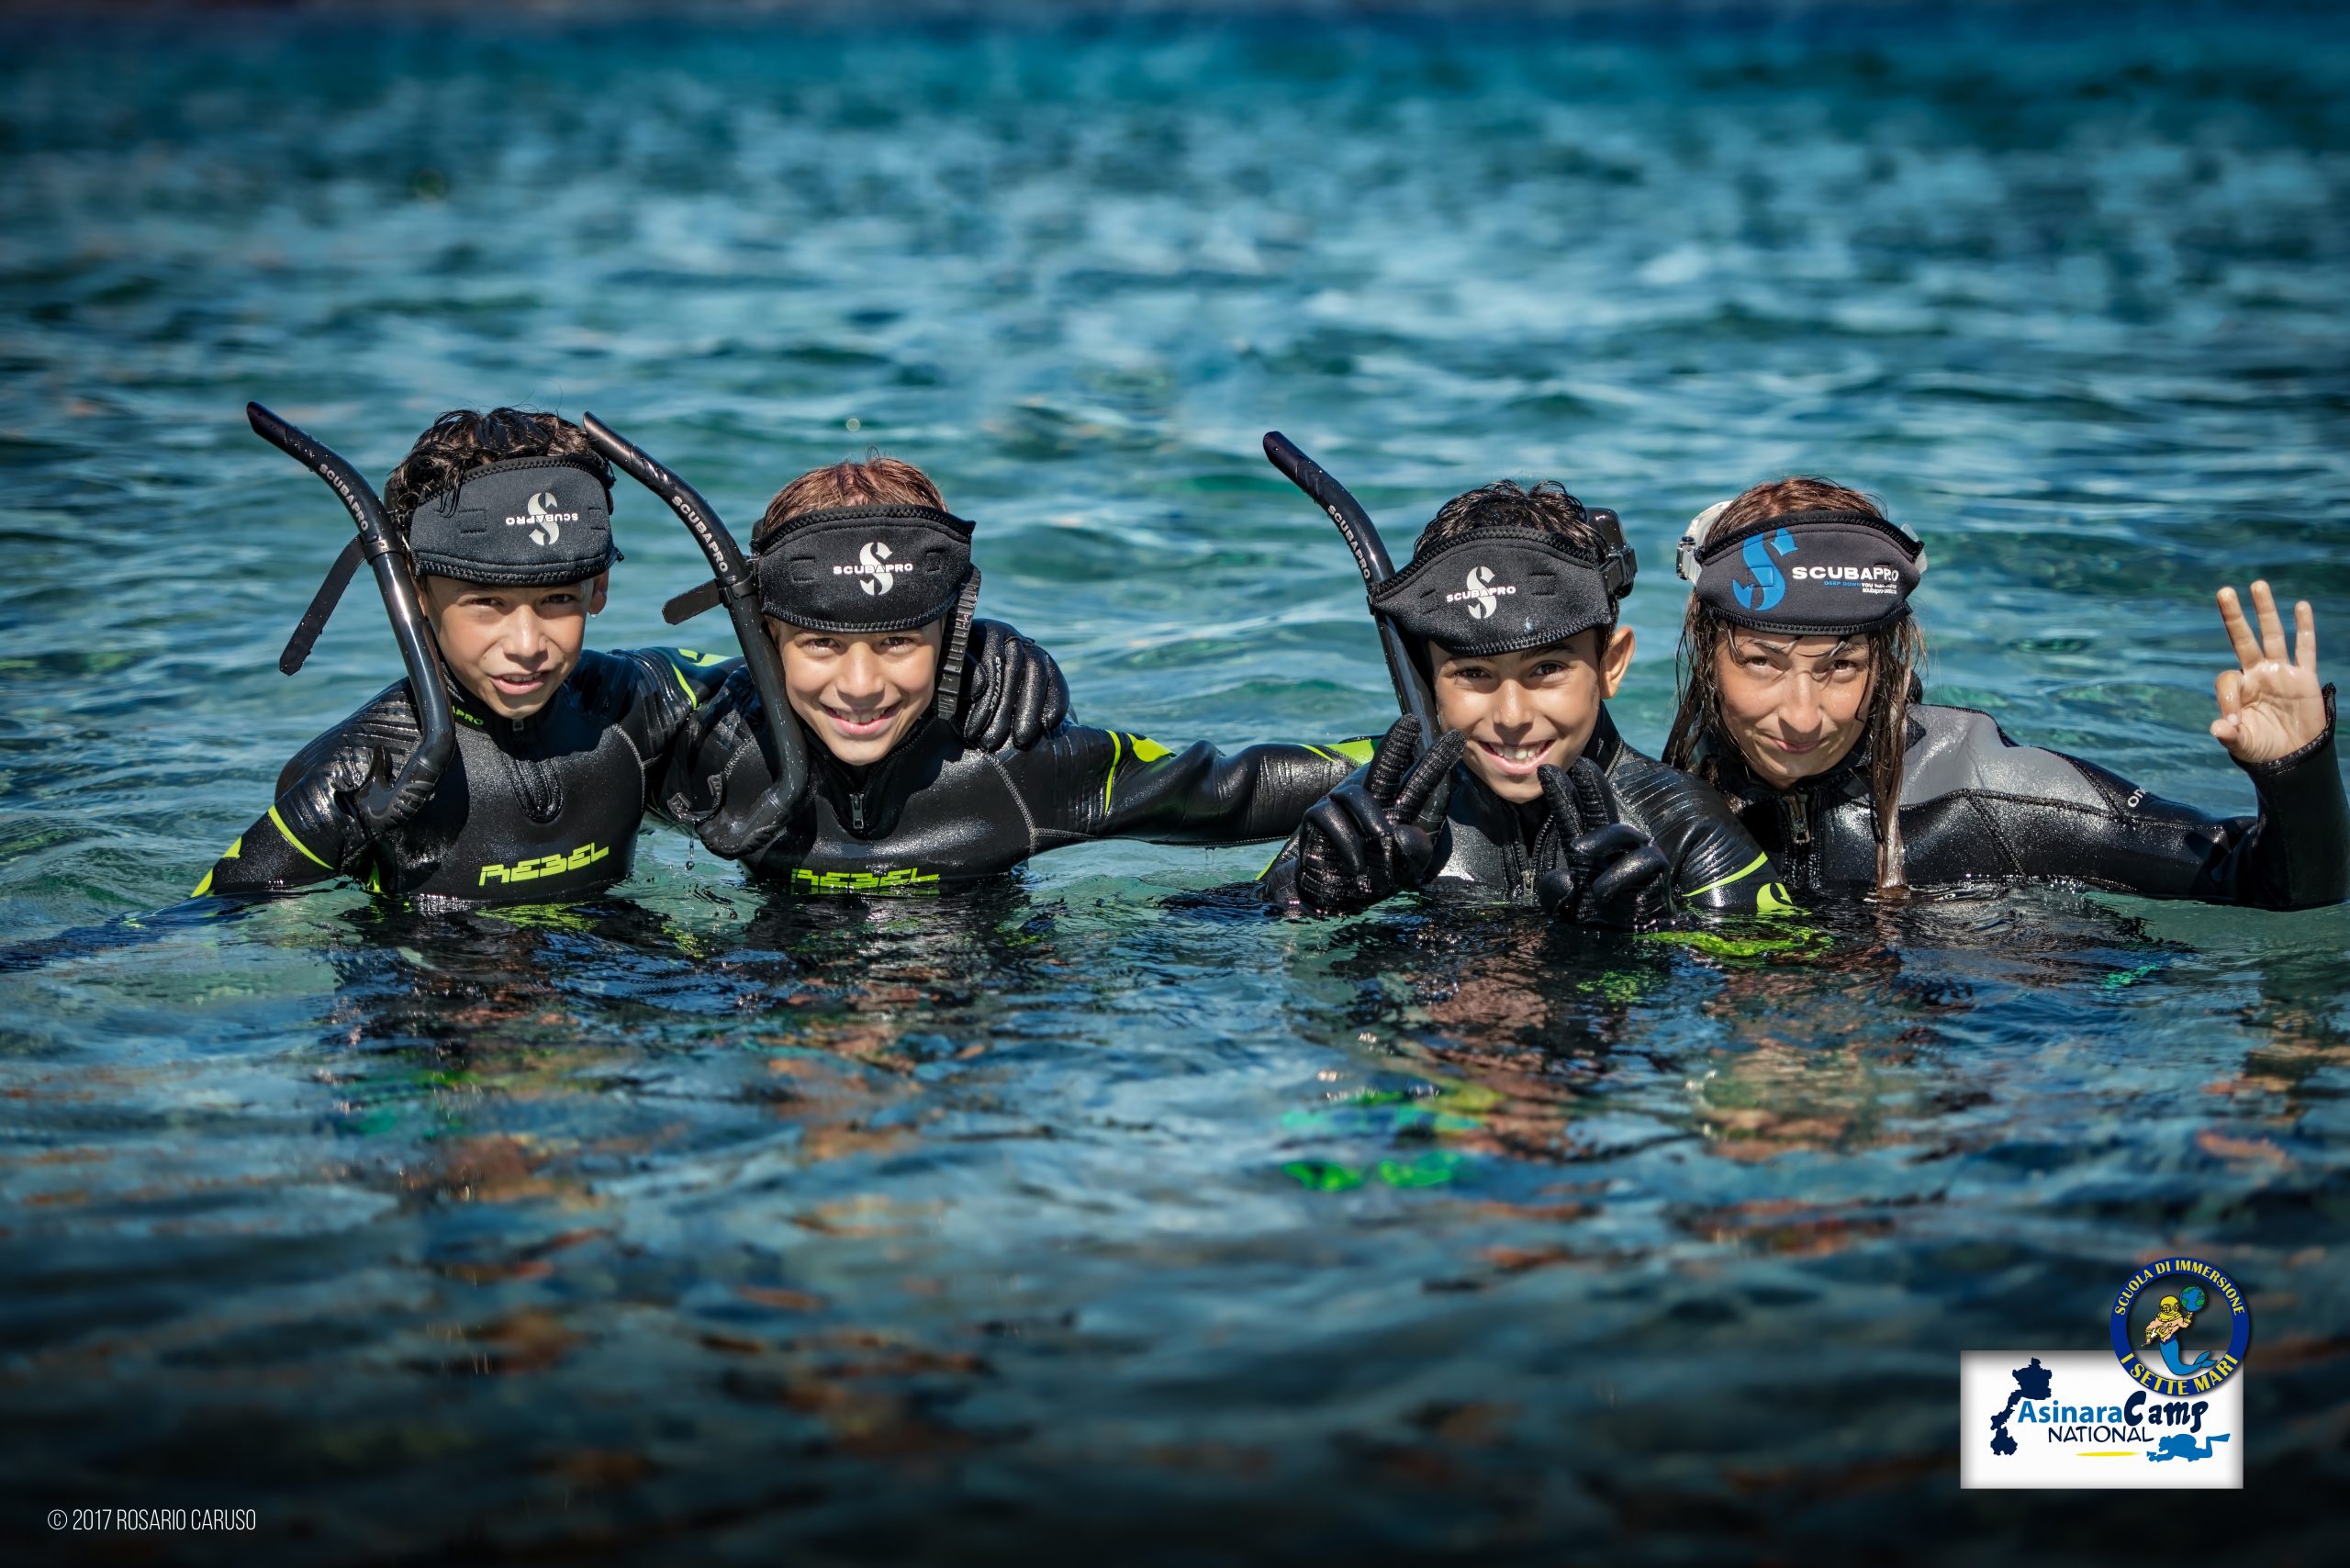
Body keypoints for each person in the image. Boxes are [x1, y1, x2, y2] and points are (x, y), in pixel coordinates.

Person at [196, 411, 1067, 906]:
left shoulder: (638, 704)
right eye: (487, 605)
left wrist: (974, 653)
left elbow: (799, 676)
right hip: (432, 1027)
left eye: (558, 603)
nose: (528, 643)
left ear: (598, 596)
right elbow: (209, 920)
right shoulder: (366, 769)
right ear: (419, 596)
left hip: (618, 1006)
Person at [666, 455, 1368, 891]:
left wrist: (1447, 736)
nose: (859, 686)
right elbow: (583, 689)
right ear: (765, 634)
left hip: (979, 1039)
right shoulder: (713, 751)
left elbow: (1236, 789)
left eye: (899, 643)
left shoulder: (1018, 762)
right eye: (821, 644)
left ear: (952, 630)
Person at [1659, 476, 2348, 907]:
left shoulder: (1985, 793)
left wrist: (2298, 775)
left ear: (1887, 657)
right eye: (1762, 663)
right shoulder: (1656, 808)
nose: (1802, 716)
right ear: (1707, 654)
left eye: (1840, 667)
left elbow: (2275, 886)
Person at [1264, 479, 1790, 926]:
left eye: (1547, 670)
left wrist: (1651, 935)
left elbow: (1775, 989)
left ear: (1612, 665)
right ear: (1428, 682)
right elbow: (1220, 935)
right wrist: (1310, 897)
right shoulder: (1380, 810)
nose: (1511, 717)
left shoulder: (1683, 823)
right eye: (1473, 673)